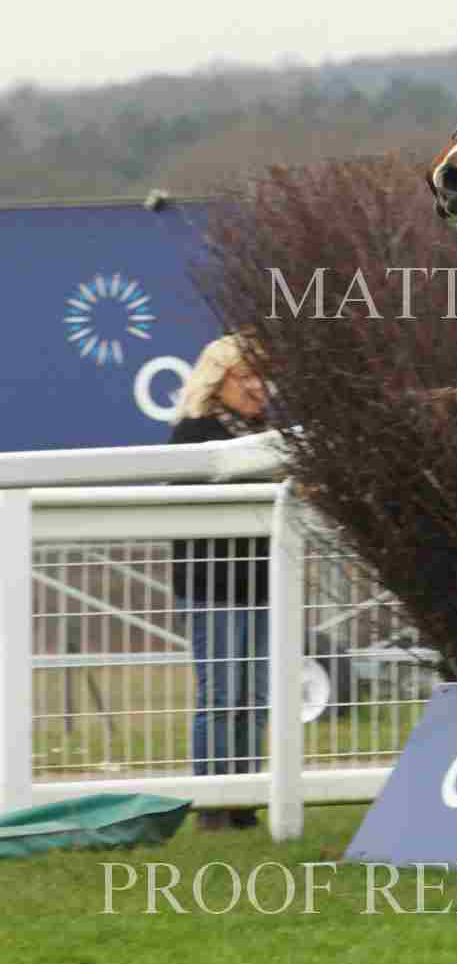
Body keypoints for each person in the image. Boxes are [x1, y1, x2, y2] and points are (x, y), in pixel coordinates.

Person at [167, 332, 272, 831]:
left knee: (255, 697)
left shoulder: (270, 434)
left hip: (261, 583)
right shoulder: (194, 433)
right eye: (246, 375)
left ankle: (244, 800)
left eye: (262, 375)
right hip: (212, 584)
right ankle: (212, 803)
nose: (258, 386)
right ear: (219, 379)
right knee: (222, 696)